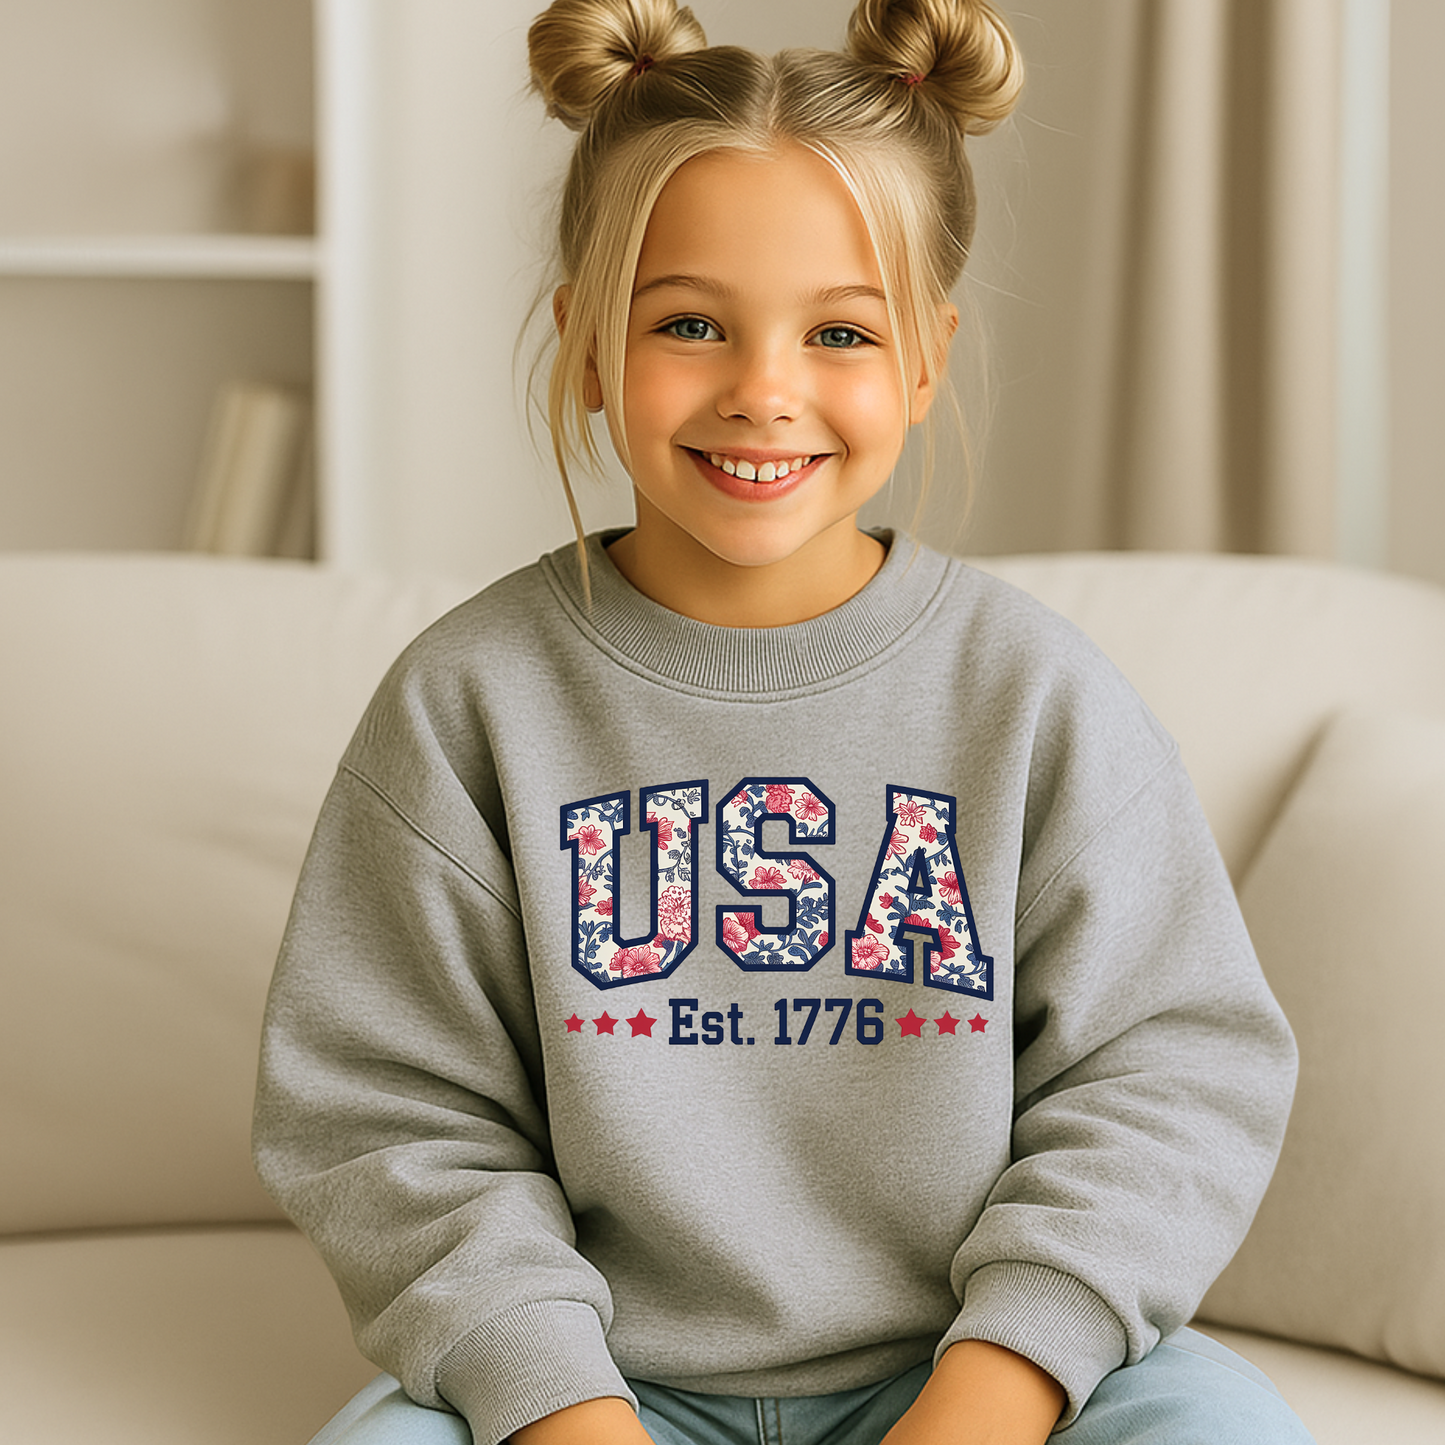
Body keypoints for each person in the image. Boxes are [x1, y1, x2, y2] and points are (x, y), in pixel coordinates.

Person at [252, 2, 1317, 1442]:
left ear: (925, 359)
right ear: (584, 343)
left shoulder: (1037, 696)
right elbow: (389, 1118)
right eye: (689, 323)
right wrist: (563, 1409)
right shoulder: (467, 704)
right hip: (600, 1395)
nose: (764, 390)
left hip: (979, 1377)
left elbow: (1170, 1075)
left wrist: (990, 1397)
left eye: (839, 332)